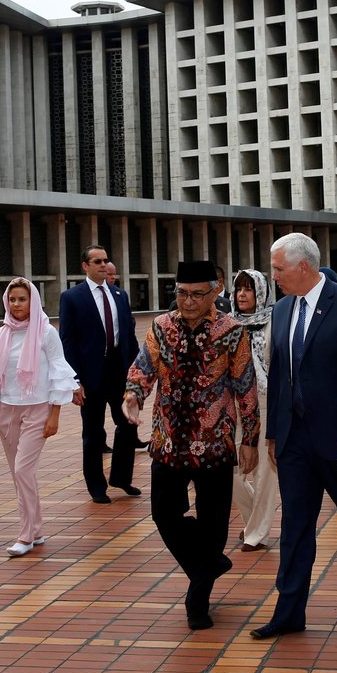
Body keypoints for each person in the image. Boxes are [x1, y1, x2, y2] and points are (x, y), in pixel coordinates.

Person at [250, 232, 337, 639]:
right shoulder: (285, 308)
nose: (274, 276)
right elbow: (279, 378)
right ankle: (289, 612)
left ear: (303, 266)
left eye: (278, 268)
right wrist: (274, 434)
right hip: (295, 442)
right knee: (295, 526)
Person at [122, 259, 260, 631]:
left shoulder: (231, 331)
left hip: (214, 441)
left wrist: (250, 439)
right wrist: (133, 396)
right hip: (168, 440)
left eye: (197, 294)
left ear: (215, 291)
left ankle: (198, 598)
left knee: (214, 523)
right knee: (164, 514)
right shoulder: (161, 327)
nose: (187, 301)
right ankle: (209, 564)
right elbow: (142, 368)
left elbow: (244, 385)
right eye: (182, 293)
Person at [0, 278, 78, 556]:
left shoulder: (46, 332)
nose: (16, 305)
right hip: (7, 411)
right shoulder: (3, 333)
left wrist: (55, 415)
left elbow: (59, 371)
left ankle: (25, 536)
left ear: (33, 301)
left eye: (22, 299)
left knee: (23, 469)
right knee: (19, 474)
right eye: (12, 300)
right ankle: (35, 530)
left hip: (38, 409)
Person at [59, 245, 141, 504]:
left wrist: (138, 372)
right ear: (85, 266)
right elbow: (67, 342)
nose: (103, 265)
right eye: (97, 261)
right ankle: (96, 486)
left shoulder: (119, 295)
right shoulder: (72, 297)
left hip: (120, 372)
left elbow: (129, 336)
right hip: (91, 375)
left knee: (128, 425)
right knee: (93, 434)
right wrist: (74, 380)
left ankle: (121, 478)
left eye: (106, 260)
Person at [230, 269, 278, 551]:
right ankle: (252, 523)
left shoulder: (274, 322)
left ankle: (257, 533)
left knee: (265, 472)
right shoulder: (228, 325)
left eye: (248, 289)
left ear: (260, 292)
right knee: (231, 470)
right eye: (238, 289)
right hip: (234, 405)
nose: (242, 295)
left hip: (266, 402)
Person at [104, 261, 148, 451]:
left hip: (119, 366)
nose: (113, 278)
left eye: (114, 274)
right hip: (96, 370)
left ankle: (132, 442)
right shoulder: (78, 297)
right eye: (109, 274)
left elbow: (129, 332)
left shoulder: (120, 296)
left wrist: (137, 361)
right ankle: (99, 444)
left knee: (124, 412)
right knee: (93, 421)